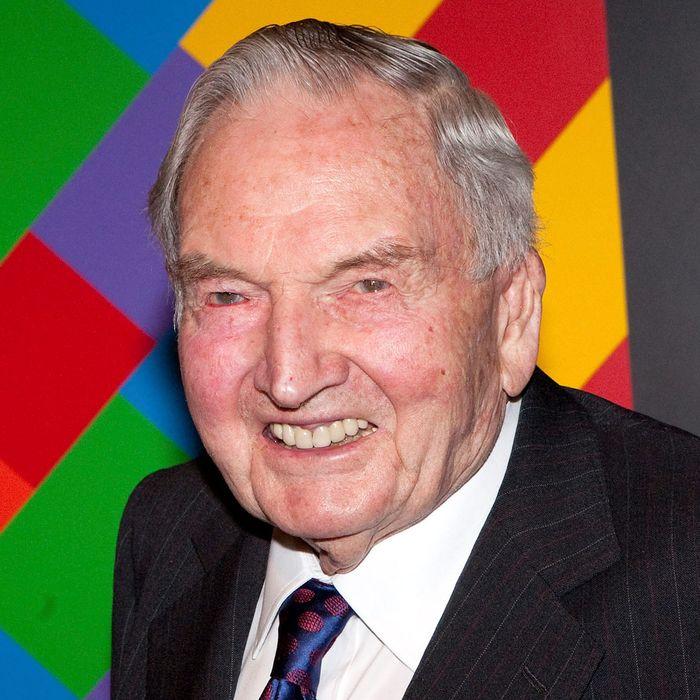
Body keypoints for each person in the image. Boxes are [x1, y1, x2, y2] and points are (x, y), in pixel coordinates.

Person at [111, 19, 700, 700]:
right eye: (228, 295)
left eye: (367, 286)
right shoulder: (168, 533)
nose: (289, 377)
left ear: (511, 313)